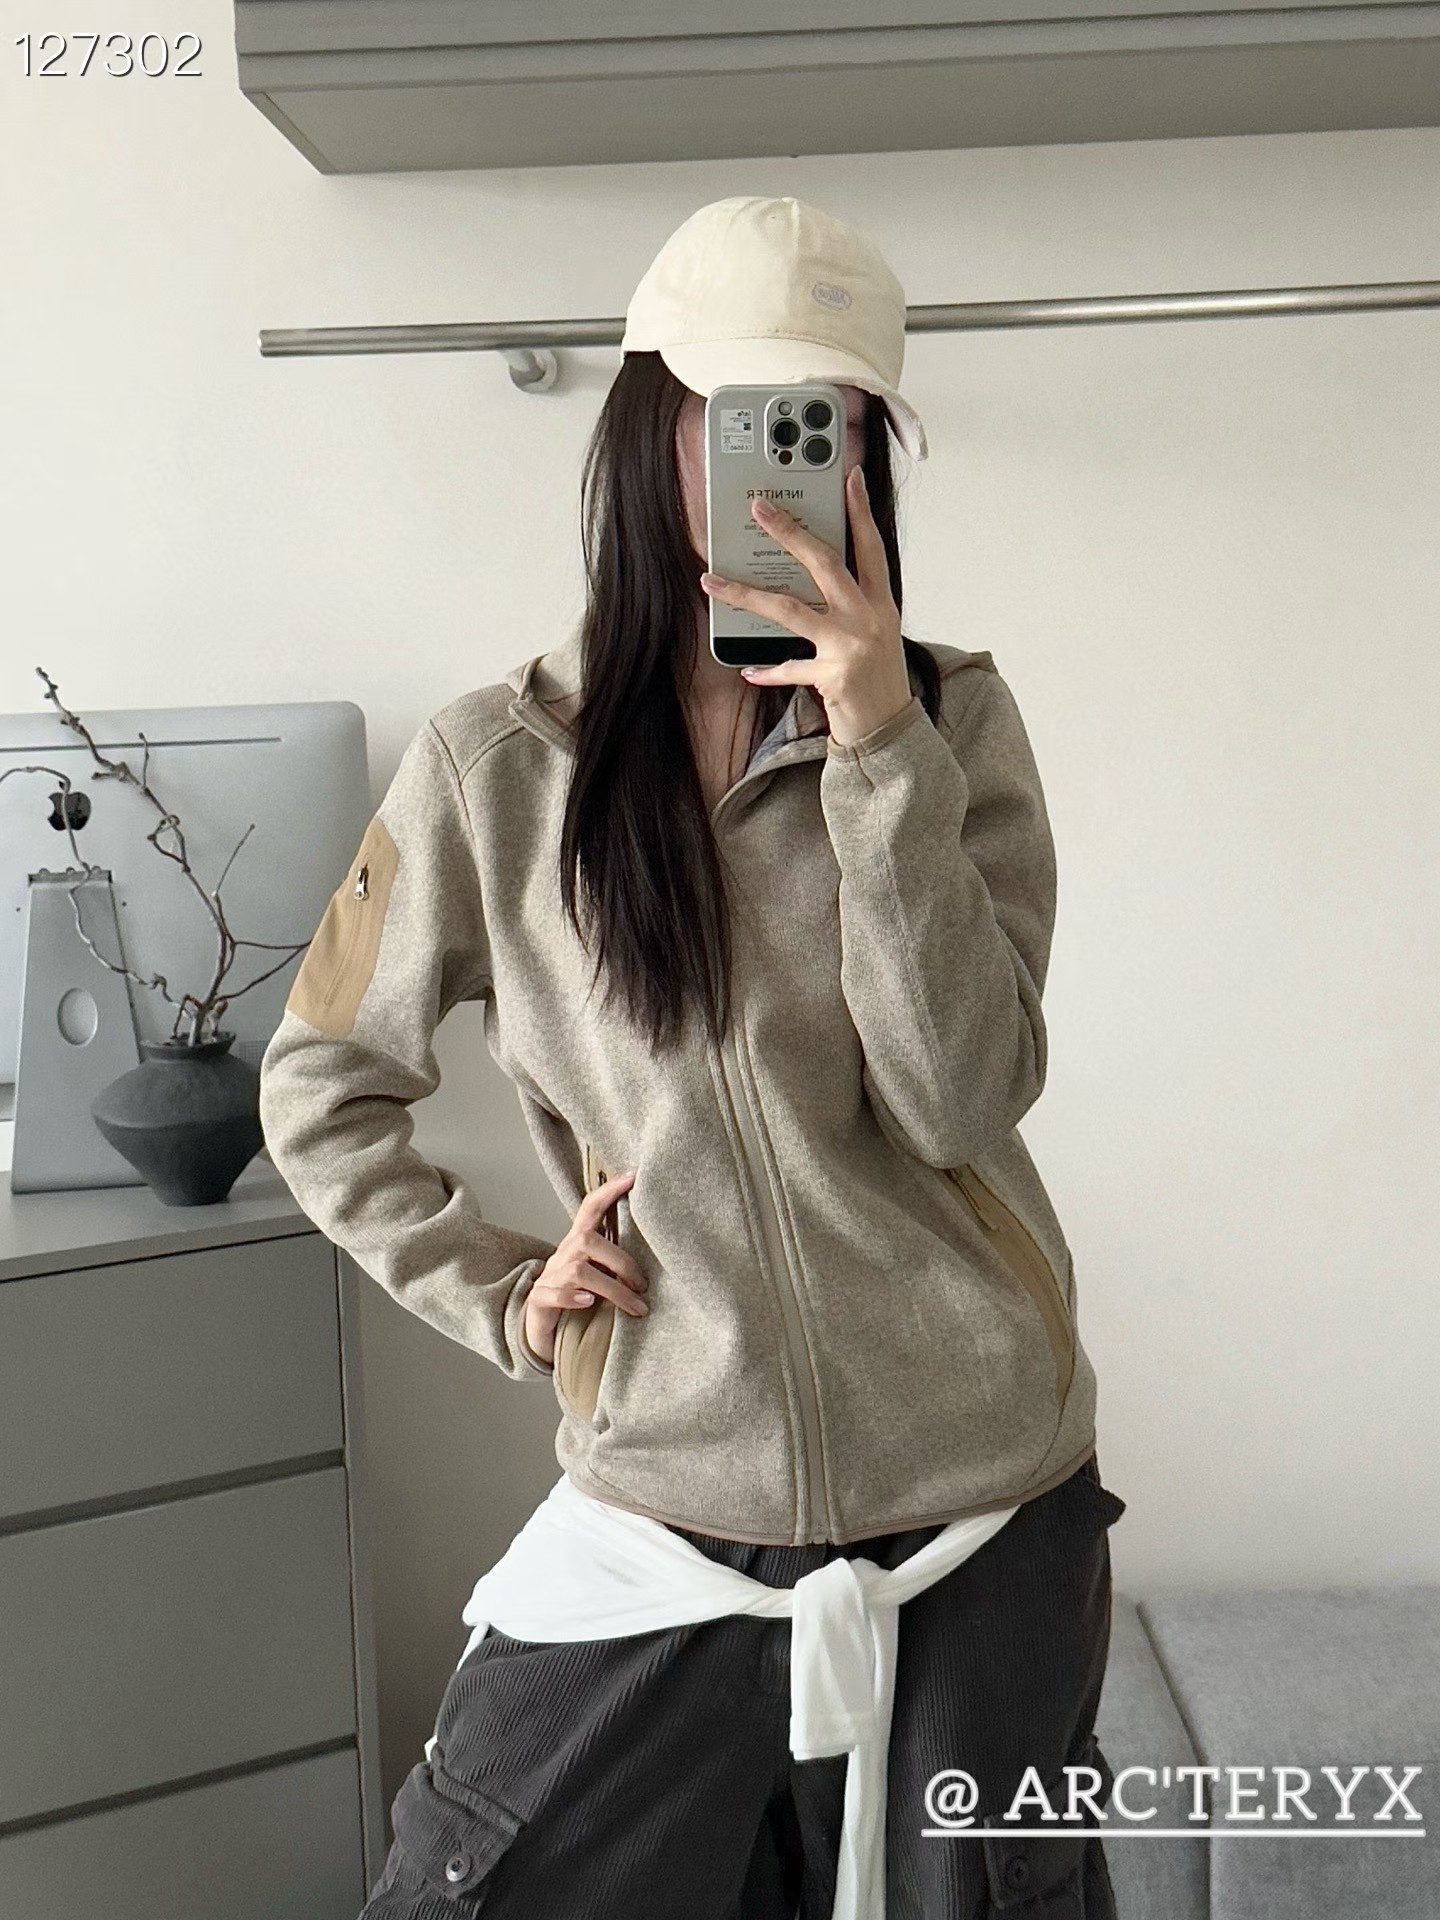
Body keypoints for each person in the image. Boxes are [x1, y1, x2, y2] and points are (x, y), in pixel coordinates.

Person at [259, 193, 1127, 1919]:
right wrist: (507, 1293)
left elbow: (958, 1098)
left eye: (831, 426)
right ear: (651, 422)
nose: (788, 472)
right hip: (668, 1510)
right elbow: (320, 1087)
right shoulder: (496, 767)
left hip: (988, 1512)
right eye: (745, 421)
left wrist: (878, 747)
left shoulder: (955, 723)